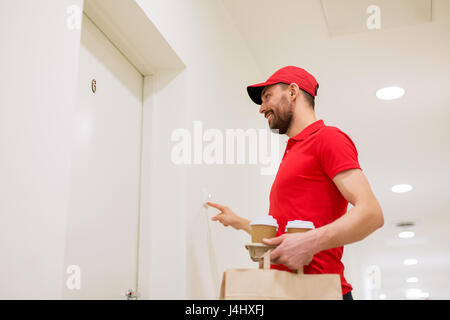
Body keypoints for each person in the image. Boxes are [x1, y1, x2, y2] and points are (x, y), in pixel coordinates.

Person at [207, 66, 384, 300]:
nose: (261, 108)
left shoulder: (328, 139)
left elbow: (372, 213)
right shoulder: (293, 151)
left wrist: (310, 242)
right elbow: (289, 236)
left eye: (267, 97)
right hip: (285, 290)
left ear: (292, 92)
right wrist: (239, 222)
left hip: (319, 292)